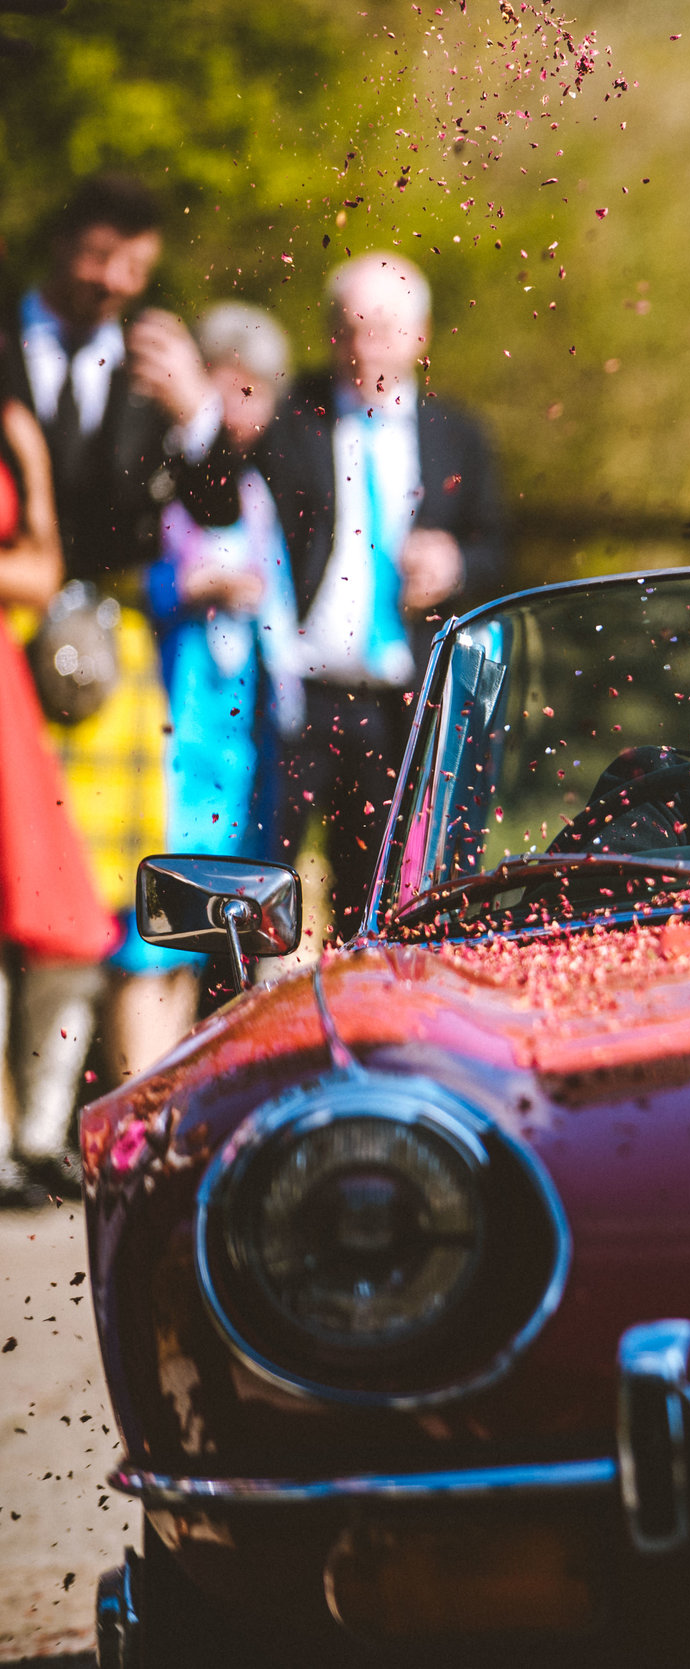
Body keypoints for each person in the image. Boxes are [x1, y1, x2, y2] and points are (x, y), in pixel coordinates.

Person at [174, 253, 506, 941]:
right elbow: (210, 503)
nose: (362, 347)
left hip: (401, 706)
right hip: (295, 696)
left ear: (420, 335)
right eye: (345, 329)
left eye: (380, 329)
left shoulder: (460, 436)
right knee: (249, 893)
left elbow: (499, 550)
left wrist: (455, 566)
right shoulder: (291, 417)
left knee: (377, 906)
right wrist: (222, 435)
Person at [2, 175, 227, 1171]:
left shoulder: (155, 371)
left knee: (82, 892)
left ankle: (45, 1126)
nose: (112, 283)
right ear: (62, 246)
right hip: (6, 630)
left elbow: (220, 508)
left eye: (132, 267)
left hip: (112, 642)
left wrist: (201, 418)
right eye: (99, 258)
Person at [0, 388, 114, 1198]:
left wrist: (33, 463)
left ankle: (40, 1132)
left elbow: (41, 573)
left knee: (59, 917)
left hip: (6, 686)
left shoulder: (11, 424)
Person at [147, 303, 300, 864]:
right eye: (230, 387)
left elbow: (277, 592)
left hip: (239, 692)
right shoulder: (159, 467)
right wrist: (190, 587)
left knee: (236, 825)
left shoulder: (257, 485)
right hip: (171, 673)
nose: (242, 409)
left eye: (256, 394)